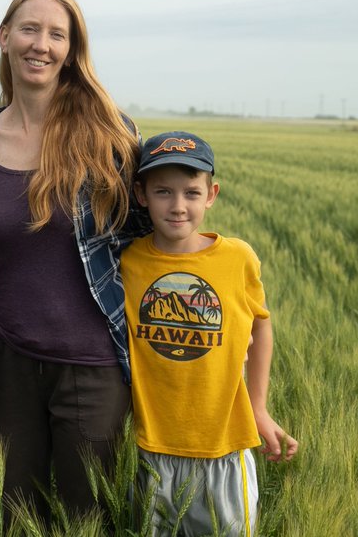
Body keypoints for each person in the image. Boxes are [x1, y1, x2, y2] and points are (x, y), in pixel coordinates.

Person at [0, 0, 141, 521]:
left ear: (71, 48)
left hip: (93, 366)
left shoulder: (109, 136)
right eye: (30, 29)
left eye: (57, 33)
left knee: (88, 517)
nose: (42, 44)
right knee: (12, 516)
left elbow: (148, 241)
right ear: (5, 37)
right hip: (3, 361)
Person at [121, 131, 298, 536]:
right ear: (141, 194)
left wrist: (258, 407)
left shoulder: (237, 258)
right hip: (151, 446)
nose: (178, 206)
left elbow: (261, 323)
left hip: (223, 446)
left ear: (211, 194)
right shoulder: (128, 261)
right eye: (163, 192)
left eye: (191, 193)